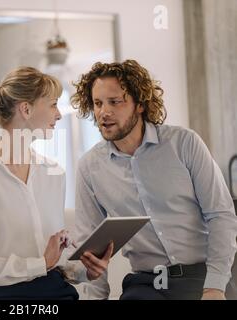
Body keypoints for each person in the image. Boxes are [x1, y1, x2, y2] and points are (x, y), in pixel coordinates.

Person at [70, 59, 237, 300]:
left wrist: (215, 286)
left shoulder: (184, 143)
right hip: (146, 285)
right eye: (97, 103)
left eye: (115, 102)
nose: (103, 112)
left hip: (203, 277)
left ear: (139, 104)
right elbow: (91, 250)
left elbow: (220, 214)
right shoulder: (90, 167)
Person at [0, 66, 111, 300]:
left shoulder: (53, 173)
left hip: (53, 292)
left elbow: (52, 261)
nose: (58, 115)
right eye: (53, 104)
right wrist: (39, 264)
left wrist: (86, 270)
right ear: (26, 109)